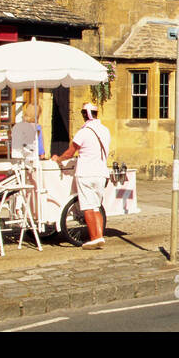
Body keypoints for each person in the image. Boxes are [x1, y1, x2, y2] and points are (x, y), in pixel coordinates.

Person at [51, 100, 111, 248]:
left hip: (86, 173)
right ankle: (99, 236)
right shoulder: (105, 130)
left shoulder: (83, 132)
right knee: (97, 206)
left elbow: (70, 152)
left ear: (85, 114)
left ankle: (94, 238)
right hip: (101, 173)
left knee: (87, 207)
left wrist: (58, 158)